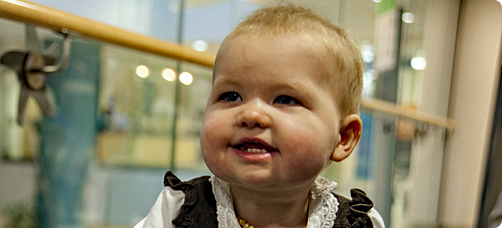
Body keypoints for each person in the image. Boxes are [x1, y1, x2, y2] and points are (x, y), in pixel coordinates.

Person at [135, 3, 385, 228]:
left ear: (343, 137)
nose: (251, 114)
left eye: (285, 99)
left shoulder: (359, 223)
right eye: (231, 96)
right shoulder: (177, 211)